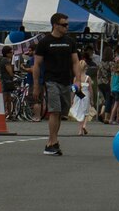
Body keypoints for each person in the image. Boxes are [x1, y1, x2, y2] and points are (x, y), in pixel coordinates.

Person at [31, 13, 82, 156]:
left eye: (67, 24)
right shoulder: (45, 42)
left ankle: (50, 142)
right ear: (55, 25)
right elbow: (37, 65)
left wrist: (77, 80)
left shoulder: (70, 41)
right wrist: (36, 85)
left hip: (66, 81)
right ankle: (53, 142)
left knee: (60, 113)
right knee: (54, 110)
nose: (67, 27)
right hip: (51, 80)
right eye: (64, 24)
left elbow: (75, 62)